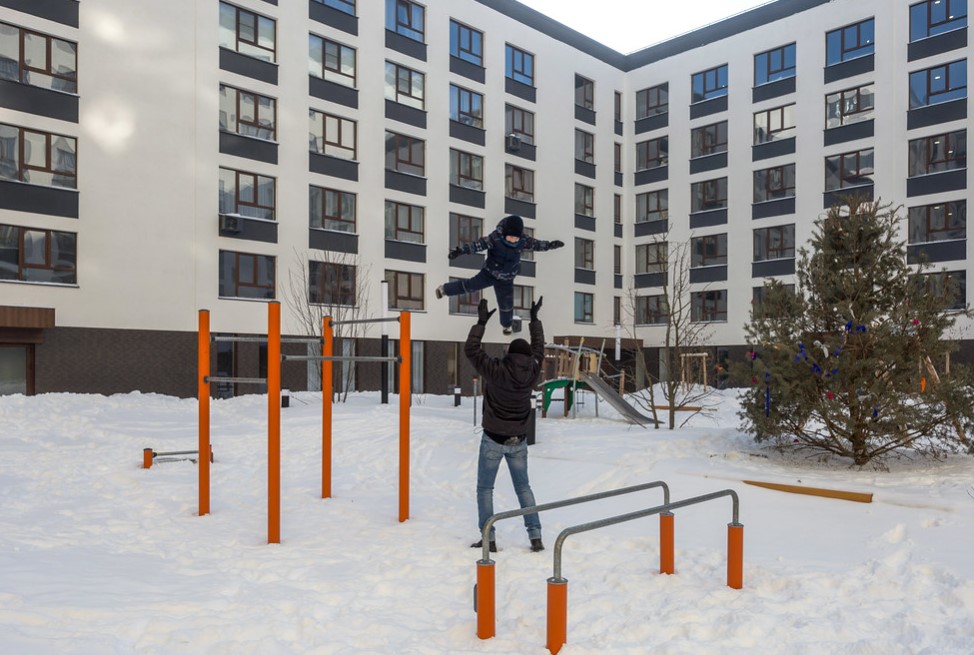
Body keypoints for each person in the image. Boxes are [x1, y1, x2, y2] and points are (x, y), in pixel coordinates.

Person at [465, 296, 546, 553]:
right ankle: (535, 537)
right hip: (518, 440)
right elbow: (540, 349)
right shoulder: (533, 370)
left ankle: (488, 539)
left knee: (485, 489)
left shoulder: (496, 370)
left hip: (493, 439)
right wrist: (534, 321)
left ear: (509, 354)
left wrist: (481, 322)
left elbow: (471, 350)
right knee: (524, 487)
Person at [436, 215, 563, 335]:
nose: (513, 240)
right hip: (489, 273)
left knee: (506, 305)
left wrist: (550, 245)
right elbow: (478, 245)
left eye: (516, 238)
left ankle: (506, 325)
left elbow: (536, 244)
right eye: (510, 237)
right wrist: (462, 251)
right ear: (504, 233)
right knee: (470, 286)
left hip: (506, 279)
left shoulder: (523, 241)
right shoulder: (494, 238)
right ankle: (444, 290)